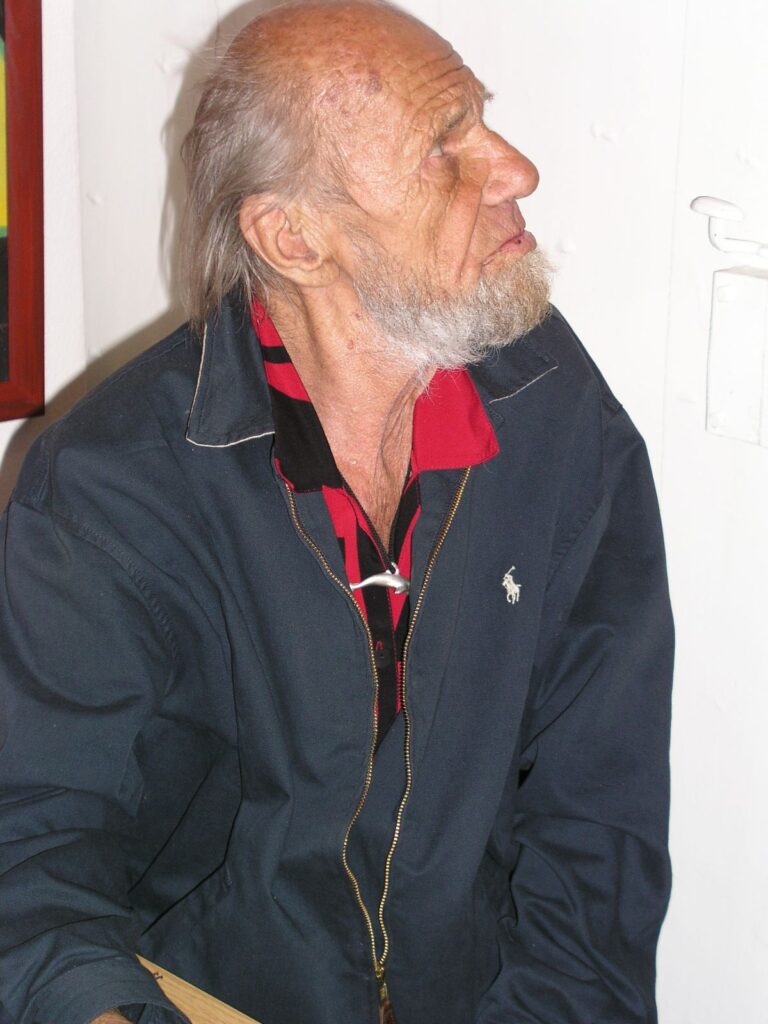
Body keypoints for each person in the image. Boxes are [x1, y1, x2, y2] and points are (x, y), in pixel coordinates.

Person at [0, 2, 674, 1023]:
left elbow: (602, 810)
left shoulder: (551, 402)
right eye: (444, 149)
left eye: (483, 119)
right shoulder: (108, 488)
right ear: (295, 238)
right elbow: (31, 848)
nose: (517, 169)